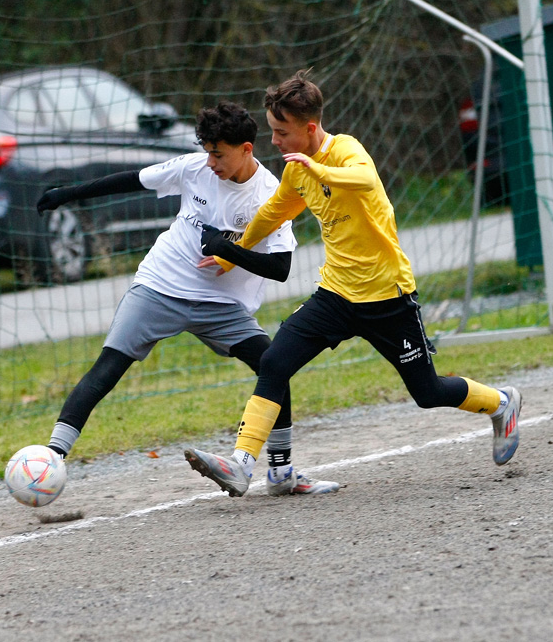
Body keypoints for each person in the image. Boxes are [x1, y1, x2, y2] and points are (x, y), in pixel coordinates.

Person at [184, 71, 521, 496]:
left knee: (428, 390)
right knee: (274, 362)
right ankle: (241, 464)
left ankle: (503, 403)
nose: (275, 140)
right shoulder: (296, 172)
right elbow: (272, 214)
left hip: (388, 297)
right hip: (336, 295)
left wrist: (319, 168)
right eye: (272, 131)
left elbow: (365, 179)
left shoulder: (344, 151)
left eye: (281, 132)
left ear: (309, 129)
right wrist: (231, 255)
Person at [37, 101, 339, 497]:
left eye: (219, 154)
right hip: (161, 284)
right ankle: (51, 457)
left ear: (246, 149)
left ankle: (281, 474)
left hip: (222, 306)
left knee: (273, 364)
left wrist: (227, 250)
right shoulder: (194, 167)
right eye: (207, 151)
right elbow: (132, 179)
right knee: (109, 366)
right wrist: (67, 193)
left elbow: (280, 267)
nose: (211, 162)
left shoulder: (269, 193)